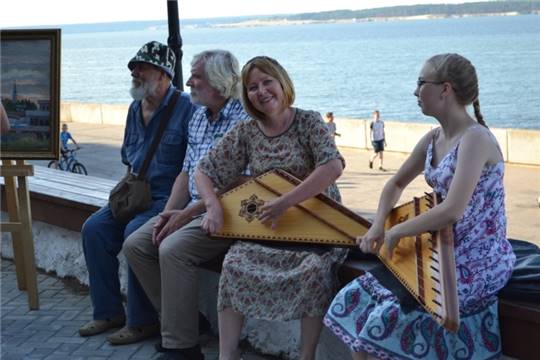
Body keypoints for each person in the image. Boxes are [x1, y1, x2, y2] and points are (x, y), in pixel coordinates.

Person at [324, 53, 516, 360]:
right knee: (352, 300)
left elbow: (453, 209)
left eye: (420, 83)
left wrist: (397, 230)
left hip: (477, 256)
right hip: (441, 245)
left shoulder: (476, 139)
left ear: (445, 89)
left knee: (384, 321)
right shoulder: (434, 138)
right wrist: (377, 225)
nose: (415, 92)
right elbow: (395, 184)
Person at [194, 56, 348, 360]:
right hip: (270, 228)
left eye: (267, 82)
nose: (261, 91)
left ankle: (306, 356)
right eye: (252, 87)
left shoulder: (308, 121)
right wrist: (212, 206)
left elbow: (333, 166)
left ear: (282, 84)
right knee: (234, 264)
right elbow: (204, 170)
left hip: (319, 226)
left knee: (314, 271)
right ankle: (227, 355)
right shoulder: (247, 131)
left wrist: (285, 202)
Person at [123, 50, 249, 359]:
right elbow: (186, 170)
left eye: (197, 77)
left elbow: (242, 181)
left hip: (227, 212)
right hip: (193, 207)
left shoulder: (243, 119)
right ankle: (187, 323)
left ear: (220, 83)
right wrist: (169, 212)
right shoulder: (198, 116)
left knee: (173, 248)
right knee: (137, 244)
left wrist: (186, 214)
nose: (189, 82)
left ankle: (182, 347)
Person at [78, 41, 195, 345]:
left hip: (168, 198)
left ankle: (142, 321)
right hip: (137, 194)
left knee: (135, 233)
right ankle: (107, 312)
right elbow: (128, 160)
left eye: (143, 68)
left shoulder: (186, 109)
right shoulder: (134, 108)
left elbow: (193, 167)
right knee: (94, 229)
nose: (136, 73)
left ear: (165, 74)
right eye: (134, 68)